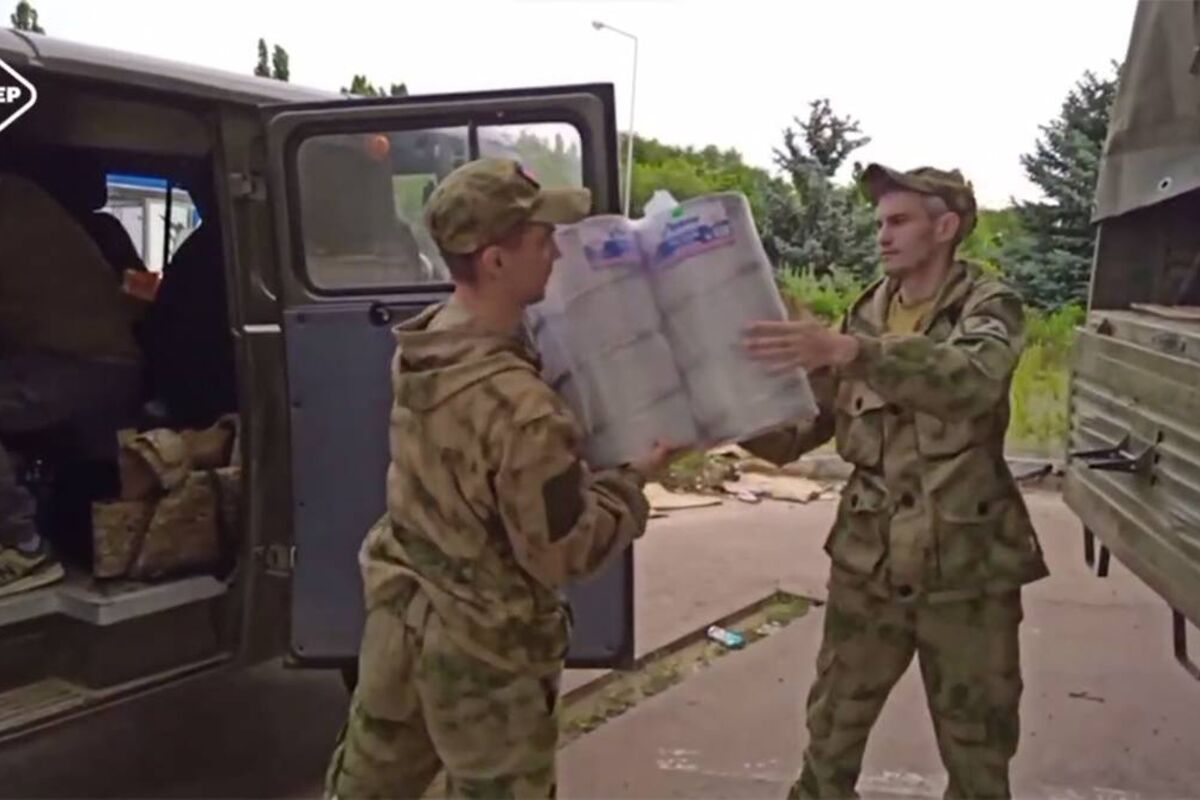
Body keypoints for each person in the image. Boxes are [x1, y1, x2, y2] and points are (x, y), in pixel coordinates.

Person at [324, 158, 675, 799]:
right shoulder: (523, 411)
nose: (556, 253)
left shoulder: (426, 345)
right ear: (494, 261)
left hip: (402, 624)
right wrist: (629, 483)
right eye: (542, 240)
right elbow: (561, 552)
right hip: (485, 660)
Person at [741, 164, 1049, 800]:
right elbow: (803, 430)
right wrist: (719, 415)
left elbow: (971, 381)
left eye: (900, 221)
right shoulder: (865, 312)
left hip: (965, 569)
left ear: (945, 226)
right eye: (880, 221)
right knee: (829, 739)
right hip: (869, 566)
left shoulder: (988, 305)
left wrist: (853, 352)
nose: (882, 235)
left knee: (979, 752)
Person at [0, 173, 144, 596]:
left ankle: (22, 547)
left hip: (79, 367)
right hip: (98, 364)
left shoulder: (11, 204)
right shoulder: (24, 193)